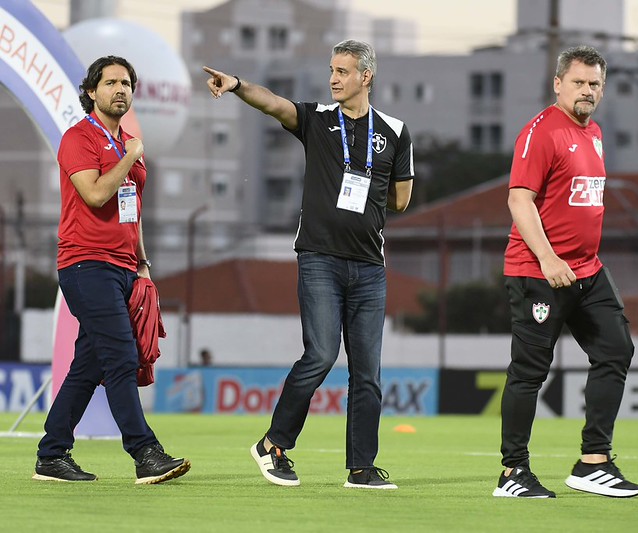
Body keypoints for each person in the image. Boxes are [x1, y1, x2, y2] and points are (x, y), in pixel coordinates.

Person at [204, 39, 413, 490]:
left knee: (368, 374)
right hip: (319, 259)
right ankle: (273, 445)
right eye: (332, 70)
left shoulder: (395, 130)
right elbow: (273, 104)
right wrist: (238, 85)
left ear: (366, 76)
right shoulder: (318, 120)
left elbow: (401, 197)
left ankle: (362, 468)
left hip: (370, 267)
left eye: (342, 71)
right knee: (320, 354)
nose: (333, 78)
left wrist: (367, 198)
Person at [493, 45, 638, 499]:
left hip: (587, 270)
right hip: (539, 271)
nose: (588, 91)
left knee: (616, 349)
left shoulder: (594, 132)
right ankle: (512, 473)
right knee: (530, 372)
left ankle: (593, 462)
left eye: (595, 83)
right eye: (578, 82)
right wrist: (548, 258)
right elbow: (519, 199)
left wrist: (574, 260)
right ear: (558, 84)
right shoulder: (541, 132)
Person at [33, 56, 190, 485]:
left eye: (126, 83)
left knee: (88, 365)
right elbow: (97, 193)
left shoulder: (128, 145)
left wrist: (142, 266)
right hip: (86, 265)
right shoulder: (79, 138)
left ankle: (51, 455)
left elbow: (131, 212)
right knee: (120, 355)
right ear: (92, 91)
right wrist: (131, 156)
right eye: (111, 82)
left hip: (123, 268)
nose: (120, 89)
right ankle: (145, 452)